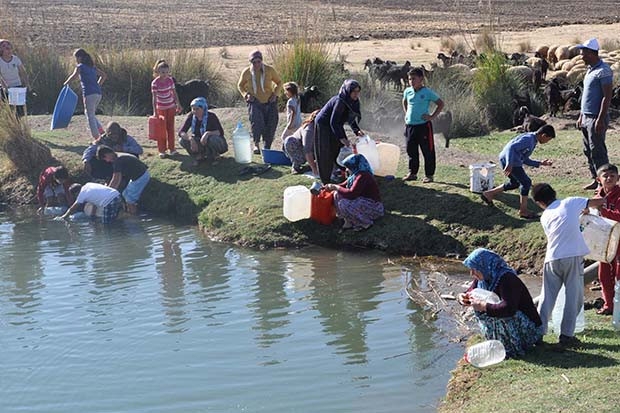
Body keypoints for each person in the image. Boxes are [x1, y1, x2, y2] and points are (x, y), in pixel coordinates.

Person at [532, 183, 606, 348]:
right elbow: (598, 202)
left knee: (547, 298)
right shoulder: (570, 202)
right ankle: (566, 336)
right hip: (572, 257)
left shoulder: (544, 216)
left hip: (551, 258)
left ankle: (538, 334)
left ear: (539, 202)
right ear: (555, 192)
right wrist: (599, 195)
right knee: (573, 298)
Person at [458, 248, 543, 358]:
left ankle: (512, 347)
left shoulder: (507, 279)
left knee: (503, 317)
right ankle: (499, 343)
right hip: (511, 318)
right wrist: (461, 297)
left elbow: (509, 309)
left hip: (528, 328)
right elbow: (470, 292)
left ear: (485, 266)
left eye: (475, 269)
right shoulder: (483, 278)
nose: (472, 273)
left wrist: (484, 306)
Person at [481, 124, 555, 219]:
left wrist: (540, 163)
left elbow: (524, 159)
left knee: (515, 183)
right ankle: (523, 211)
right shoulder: (529, 140)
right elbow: (511, 148)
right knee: (526, 182)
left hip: (509, 160)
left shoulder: (532, 140)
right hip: (510, 161)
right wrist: (509, 163)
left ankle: (488, 194)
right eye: (548, 140)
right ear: (544, 135)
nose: (547, 142)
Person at [576, 38, 614, 191]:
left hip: (596, 118)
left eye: (583, 53)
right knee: (588, 150)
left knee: (598, 150)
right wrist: (581, 115)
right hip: (586, 117)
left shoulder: (603, 70)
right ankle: (596, 179)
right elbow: (586, 95)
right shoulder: (590, 70)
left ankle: (605, 183)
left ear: (592, 53)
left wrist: (600, 119)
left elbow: (607, 96)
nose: (581, 56)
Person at [314, 79, 364, 184]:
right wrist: (342, 138)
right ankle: (326, 180)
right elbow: (333, 121)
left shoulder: (353, 101)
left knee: (338, 149)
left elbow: (350, 118)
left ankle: (339, 173)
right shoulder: (340, 101)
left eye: (358, 91)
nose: (356, 94)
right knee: (325, 151)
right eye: (354, 91)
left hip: (336, 125)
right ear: (348, 90)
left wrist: (357, 131)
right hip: (324, 125)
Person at [402, 67, 445, 183]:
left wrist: (431, 117)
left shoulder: (427, 92)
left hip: (423, 126)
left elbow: (441, 104)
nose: (411, 81)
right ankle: (412, 173)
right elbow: (404, 101)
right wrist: (407, 114)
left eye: (414, 79)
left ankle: (429, 175)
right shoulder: (407, 91)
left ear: (421, 79)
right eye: (410, 79)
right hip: (410, 126)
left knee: (428, 150)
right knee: (411, 150)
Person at [237, 50, 283, 153]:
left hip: (270, 101)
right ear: (251, 62)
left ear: (261, 61)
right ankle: (256, 145)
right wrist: (246, 95)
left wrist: (275, 95)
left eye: (258, 61)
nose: (257, 64)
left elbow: (279, 82)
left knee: (271, 123)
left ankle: (267, 146)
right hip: (255, 102)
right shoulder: (247, 72)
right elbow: (240, 85)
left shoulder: (269, 70)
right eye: (254, 62)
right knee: (256, 123)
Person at [324, 153, 383, 231]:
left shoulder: (363, 176)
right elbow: (343, 185)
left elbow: (351, 194)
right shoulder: (354, 175)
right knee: (336, 194)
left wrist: (336, 187)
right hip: (362, 201)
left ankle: (364, 223)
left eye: (348, 167)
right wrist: (331, 187)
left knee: (344, 203)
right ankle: (348, 220)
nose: (347, 170)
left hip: (373, 206)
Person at [591, 164, 620, 315]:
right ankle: (609, 305)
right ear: (598, 179)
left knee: (619, 275)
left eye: (612, 176)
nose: (609, 178)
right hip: (604, 243)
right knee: (604, 275)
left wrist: (603, 210)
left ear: (618, 178)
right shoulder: (597, 196)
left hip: (619, 242)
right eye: (605, 176)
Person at [63, 48, 107, 139]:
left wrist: (66, 83)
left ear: (79, 57)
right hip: (98, 93)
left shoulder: (80, 67)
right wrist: (98, 85)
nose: (76, 60)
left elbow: (74, 76)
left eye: (76, 58)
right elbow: (104, 75)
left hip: (89, 94)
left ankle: (97, 138)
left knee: (90, 116)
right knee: (90, 113)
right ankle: (101, 131)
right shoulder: (92, 67)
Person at [97, 145, 150, 215]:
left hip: (140, 177)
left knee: (129, 200)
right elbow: (116, 178)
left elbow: (116, 179)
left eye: (105, 158)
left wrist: (108, 193)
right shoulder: (118, 156)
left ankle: (133, 217)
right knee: (125, 194)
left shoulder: (118, 160)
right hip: (140, 174)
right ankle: (129, 211)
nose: (107, 161)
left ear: (107, 154)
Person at [178, 97, 227, 166]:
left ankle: (215, 155)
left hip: (212, 140)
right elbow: (181, 132)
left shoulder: (211, 116)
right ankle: (199, 156)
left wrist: (207, 134)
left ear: (203, 108)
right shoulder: (191, 116)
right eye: (193, 109)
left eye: (197, 109)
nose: (195, 111)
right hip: (198, 141)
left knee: (213, 139)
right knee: (182, 140)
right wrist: (190, 139)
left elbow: (220, 132)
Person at [151, 59, 182, 159]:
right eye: (162, 72)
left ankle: (172, 149)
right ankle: (162, 150)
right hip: (161, 108)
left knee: (170, 128)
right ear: (158, 72)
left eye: (166, 72)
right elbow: (154, 98)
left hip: (170, 107)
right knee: (161, 129)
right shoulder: (155, 83)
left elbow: (174, 92)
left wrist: (178, 104)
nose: (165, 74)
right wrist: (155, 111)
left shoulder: (170, 80)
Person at [58, 182, 123, 224]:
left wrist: (64, 217)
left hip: (109, 201)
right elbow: (95, 202)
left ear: (76, 193)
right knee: (115, 219)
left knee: (107, 224)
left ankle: (114, 236)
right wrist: (93, 215)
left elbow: (72, 208)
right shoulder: (88, 185)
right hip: (117, 195)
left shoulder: (82, 194)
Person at [283, 110, 319, 176]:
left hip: (309, 149)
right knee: (289, 141)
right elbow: (307, 150)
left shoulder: (321, 128)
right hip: (297, 147)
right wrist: (314, 169)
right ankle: (296, 167)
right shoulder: (309, 129)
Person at [0, 39, 30, 118]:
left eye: (8, 45)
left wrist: (27, 84)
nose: (7, 48)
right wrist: (5, 86)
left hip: (17, 86)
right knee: (8, 109)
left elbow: (23, 72)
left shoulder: (15, 59)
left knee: (19, 111)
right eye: (4, 46)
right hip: (5, 89)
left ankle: (17, 127)